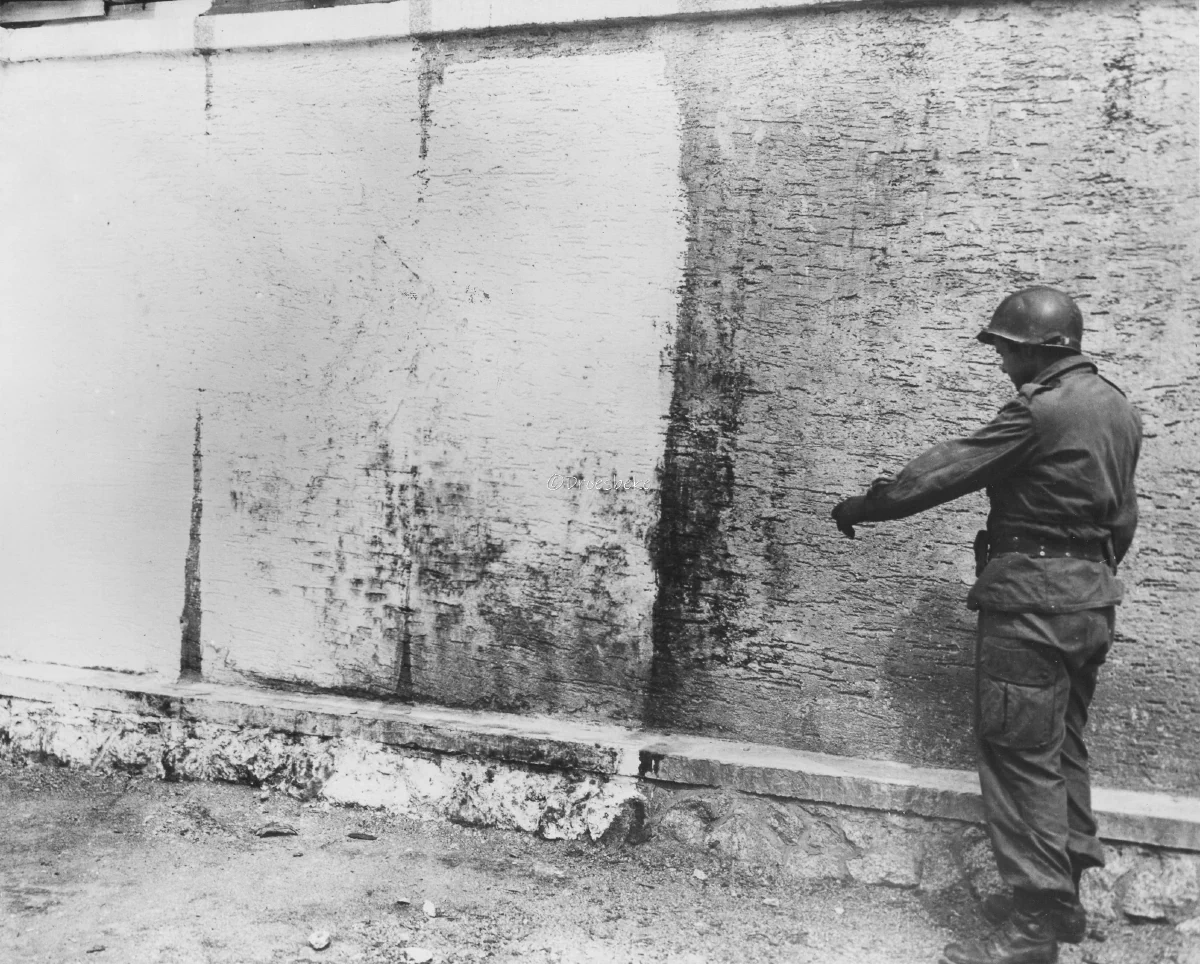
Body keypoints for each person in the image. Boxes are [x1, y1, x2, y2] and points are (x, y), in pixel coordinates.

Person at [831, 287, 1141, 964]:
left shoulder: (1039, 412)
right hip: (1091, 605)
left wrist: (867, 504)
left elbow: (947, 470)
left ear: (1039, 348)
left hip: (1031, 606)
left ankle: (1033, 928)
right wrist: (1088, 576)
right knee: (1062, 751)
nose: (1001, 361)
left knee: (1018, 756)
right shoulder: (1117, 407)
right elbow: (1123, 521)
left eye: (1006, 348)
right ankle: (1061, 897)